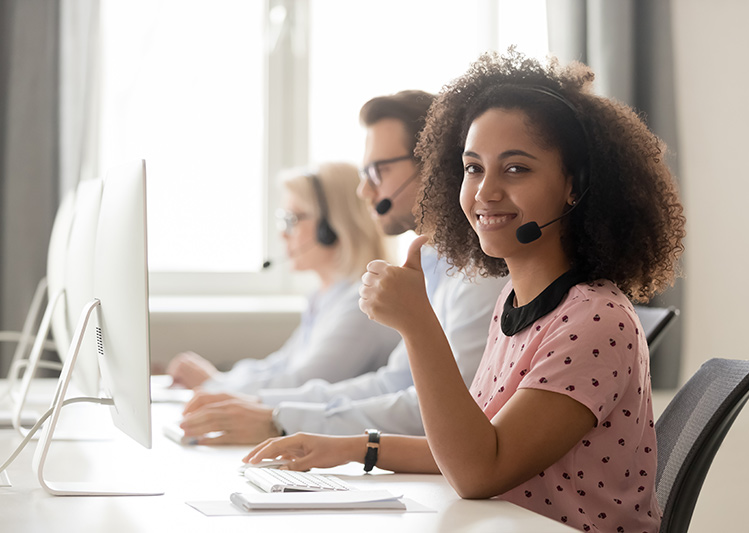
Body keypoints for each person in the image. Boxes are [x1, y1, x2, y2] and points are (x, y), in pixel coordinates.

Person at [243, 50, 685, 533]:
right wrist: (354, 447)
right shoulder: (513, 303)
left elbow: (480, 471)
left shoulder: (595, 320)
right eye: (473, 167)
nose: (485, 191)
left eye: (516, 169)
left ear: (574, 186)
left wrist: (417, 322)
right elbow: (477, 442)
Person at [176, 90, 508, 444]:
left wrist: (279, 420)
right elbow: (392, 383)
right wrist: (263, 408)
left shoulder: (482, 275)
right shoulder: (433, 264)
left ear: (434, 167)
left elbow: (439, 414)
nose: (364, 191)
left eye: (377, 172)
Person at [166, 162, 400, 396]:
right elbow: (279, 365)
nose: (282, 233)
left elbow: (301, 383)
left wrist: (212, 385)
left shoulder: (364, 304)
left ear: (330, 228)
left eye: (292, 219)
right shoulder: (325, 297)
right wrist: (220, 380)